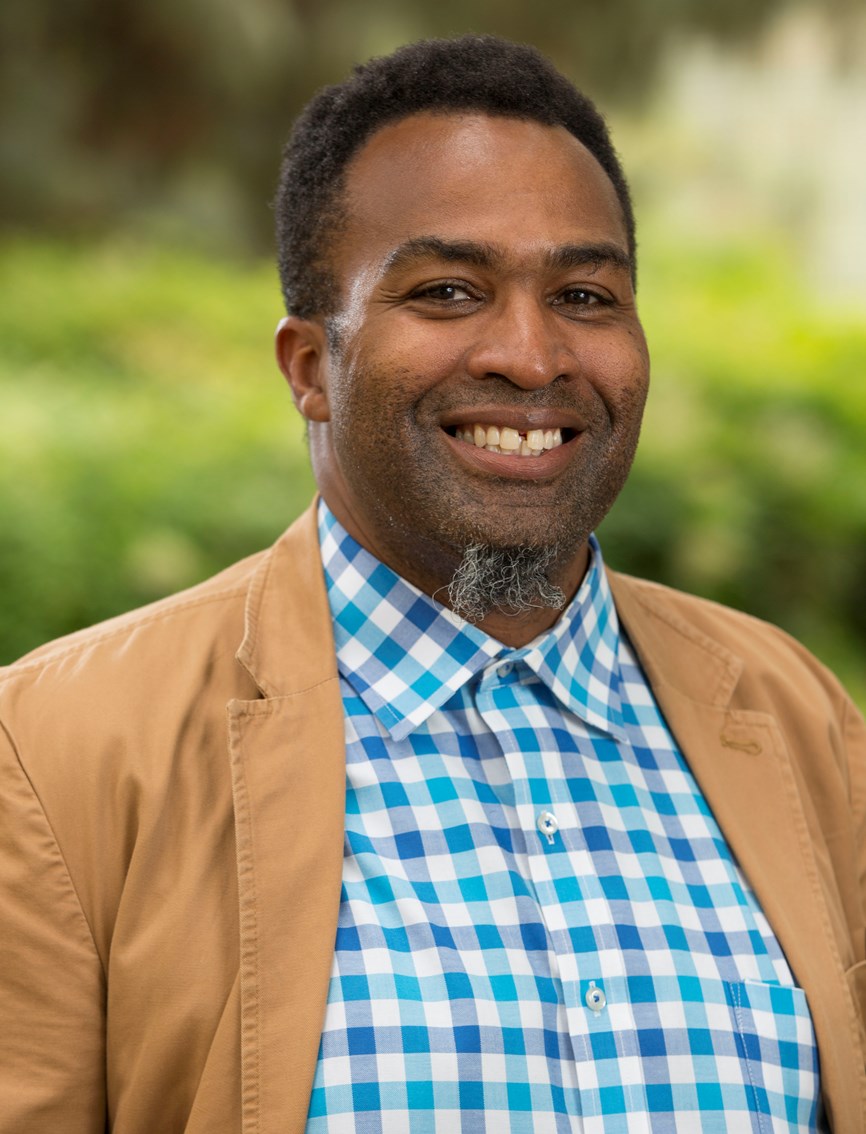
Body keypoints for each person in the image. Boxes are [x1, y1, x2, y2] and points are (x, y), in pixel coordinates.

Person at [1, 34, 863, 1134]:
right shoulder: (55, 753)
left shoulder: (797, 720)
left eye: (585, 295)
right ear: (310, 366)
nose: (532, 356)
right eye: (448, 291)